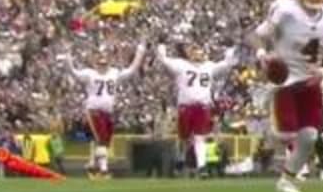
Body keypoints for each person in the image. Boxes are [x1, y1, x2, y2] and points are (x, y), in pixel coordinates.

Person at [252, 0, 323, 192]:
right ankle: (267, 135)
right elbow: (257, 36)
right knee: (285, 135)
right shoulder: (285, 10)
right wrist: (264, 55)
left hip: (309, 82)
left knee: (310, 137)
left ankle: (287, 179)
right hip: (284, 82)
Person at [61, 43, 147, 179]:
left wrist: (140, 52)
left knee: (105, 142)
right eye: (100, 64)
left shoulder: (114, 73)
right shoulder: (89, 74)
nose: (102, 66)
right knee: (101, 139)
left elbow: (131, 70)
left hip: (108, 112)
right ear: (95, 63)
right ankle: (103, 169)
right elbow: (73, 72)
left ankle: (92, 164)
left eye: (104, 64)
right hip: (94, 111)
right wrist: (68, 58)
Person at [156, 43, 239, 177]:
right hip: (185, 107)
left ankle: (202, 167)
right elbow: (164, 61)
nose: (197, 53)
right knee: (184, 138)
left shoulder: (209, 66)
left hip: (202, 107)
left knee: (199, 137)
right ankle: (180, 160)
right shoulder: (181, 64)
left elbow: (227, 64)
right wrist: (161, 46)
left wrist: (230, 49)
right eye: (194, 50)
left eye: (198, 50)